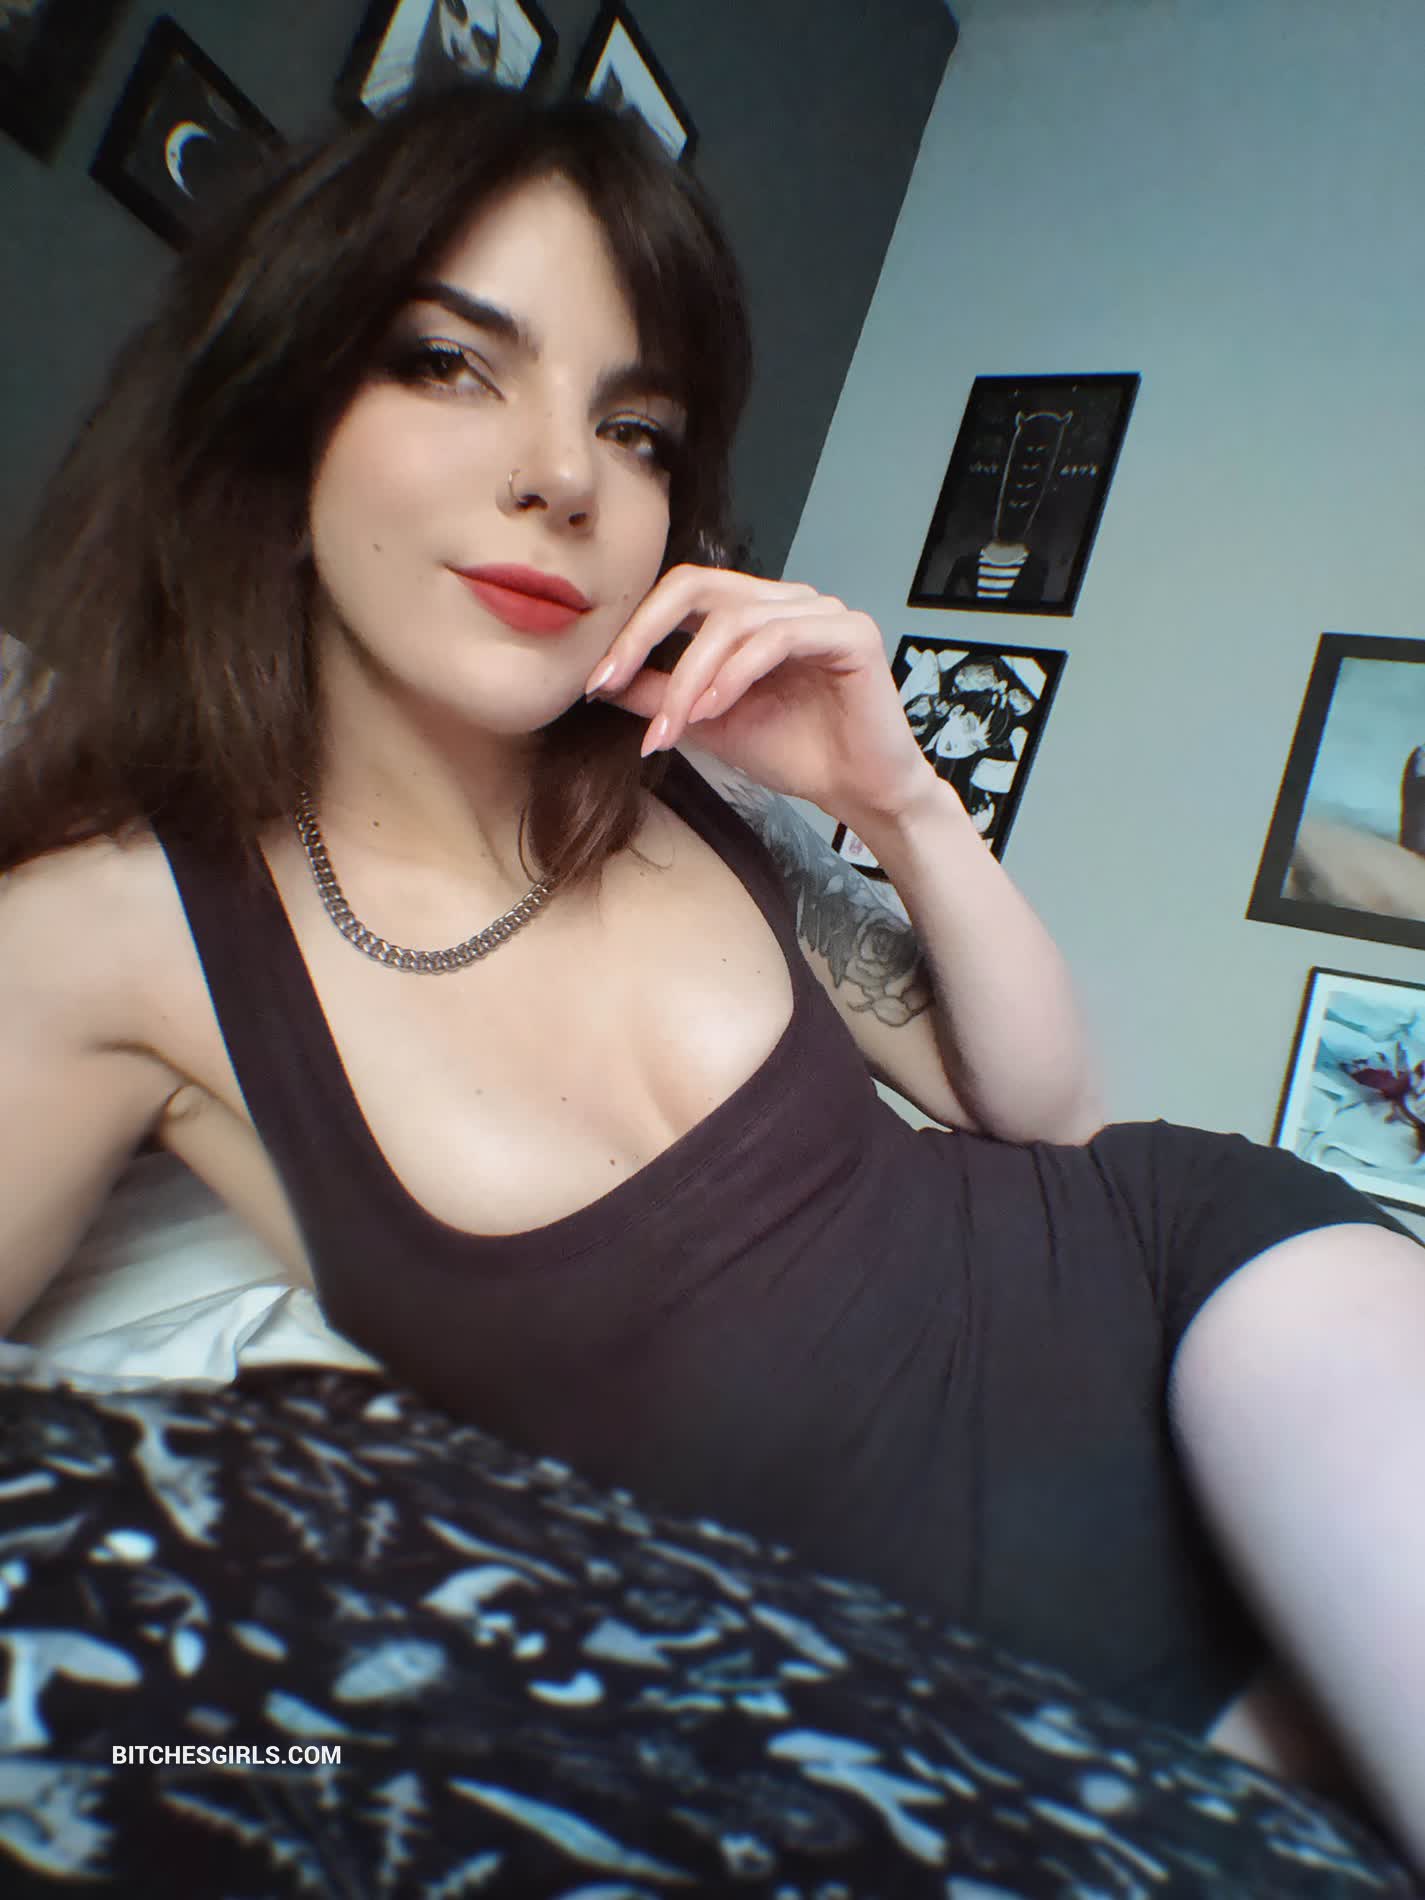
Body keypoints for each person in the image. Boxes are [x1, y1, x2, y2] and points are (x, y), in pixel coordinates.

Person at [1, 80, 1422, 1868]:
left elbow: (1046, 1113)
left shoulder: (680, 790)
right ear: (279, 423)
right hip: (974, 1689)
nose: (566, 474)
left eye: (638, 425)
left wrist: (894, 800)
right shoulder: (106, 934)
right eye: (450, 363)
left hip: (1196, 1305)